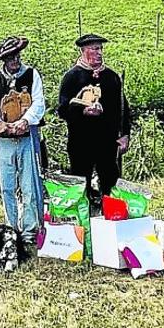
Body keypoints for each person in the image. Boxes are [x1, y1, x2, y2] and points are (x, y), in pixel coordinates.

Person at [58, 33, 131, 211]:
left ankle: (111, 216)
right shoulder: (72, 77)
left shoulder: (112, 77)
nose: (99, 53)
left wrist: (124, 135)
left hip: (107, 141)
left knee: (110, 182)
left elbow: (123, 109)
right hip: (80, 142)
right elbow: (62, 109)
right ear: (83, 51)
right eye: (94, 49)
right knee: (81, 183)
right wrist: (82, 111)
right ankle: (84, 218)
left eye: (100, 49)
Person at [0, 36, 45, 244]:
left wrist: (26, 121)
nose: (15, 61)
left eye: (17, 56)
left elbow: (39, 103)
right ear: (4, 60)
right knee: (7, 185)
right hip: (4, 140)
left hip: (27, 138)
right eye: (10, 58)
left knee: (30, 185)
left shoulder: (32, 74)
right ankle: (10, 228)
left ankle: (29, 230)